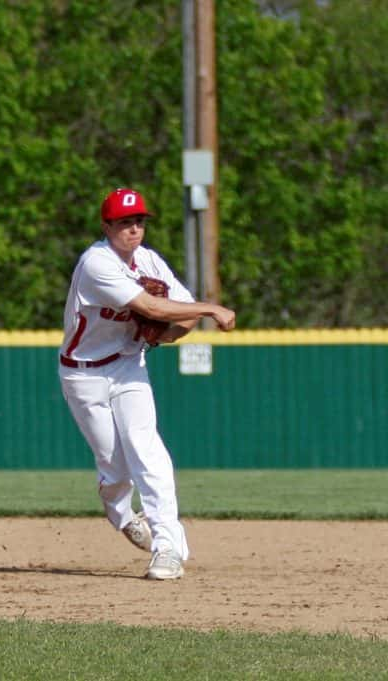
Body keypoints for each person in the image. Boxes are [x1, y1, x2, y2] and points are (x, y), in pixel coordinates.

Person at [58, 187, 236, 580]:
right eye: (124, 222)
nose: (134, 229)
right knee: (114, 465)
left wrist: (165, 334)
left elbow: (180, 313)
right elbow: (154, 307)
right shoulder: (96, 263)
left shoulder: (150, 261)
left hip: (127, 365)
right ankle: (121, 515)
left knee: (146, 449)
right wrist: (211, 308)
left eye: (139, 221)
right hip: (82, 373)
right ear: (106, 226)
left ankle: (168, 547)